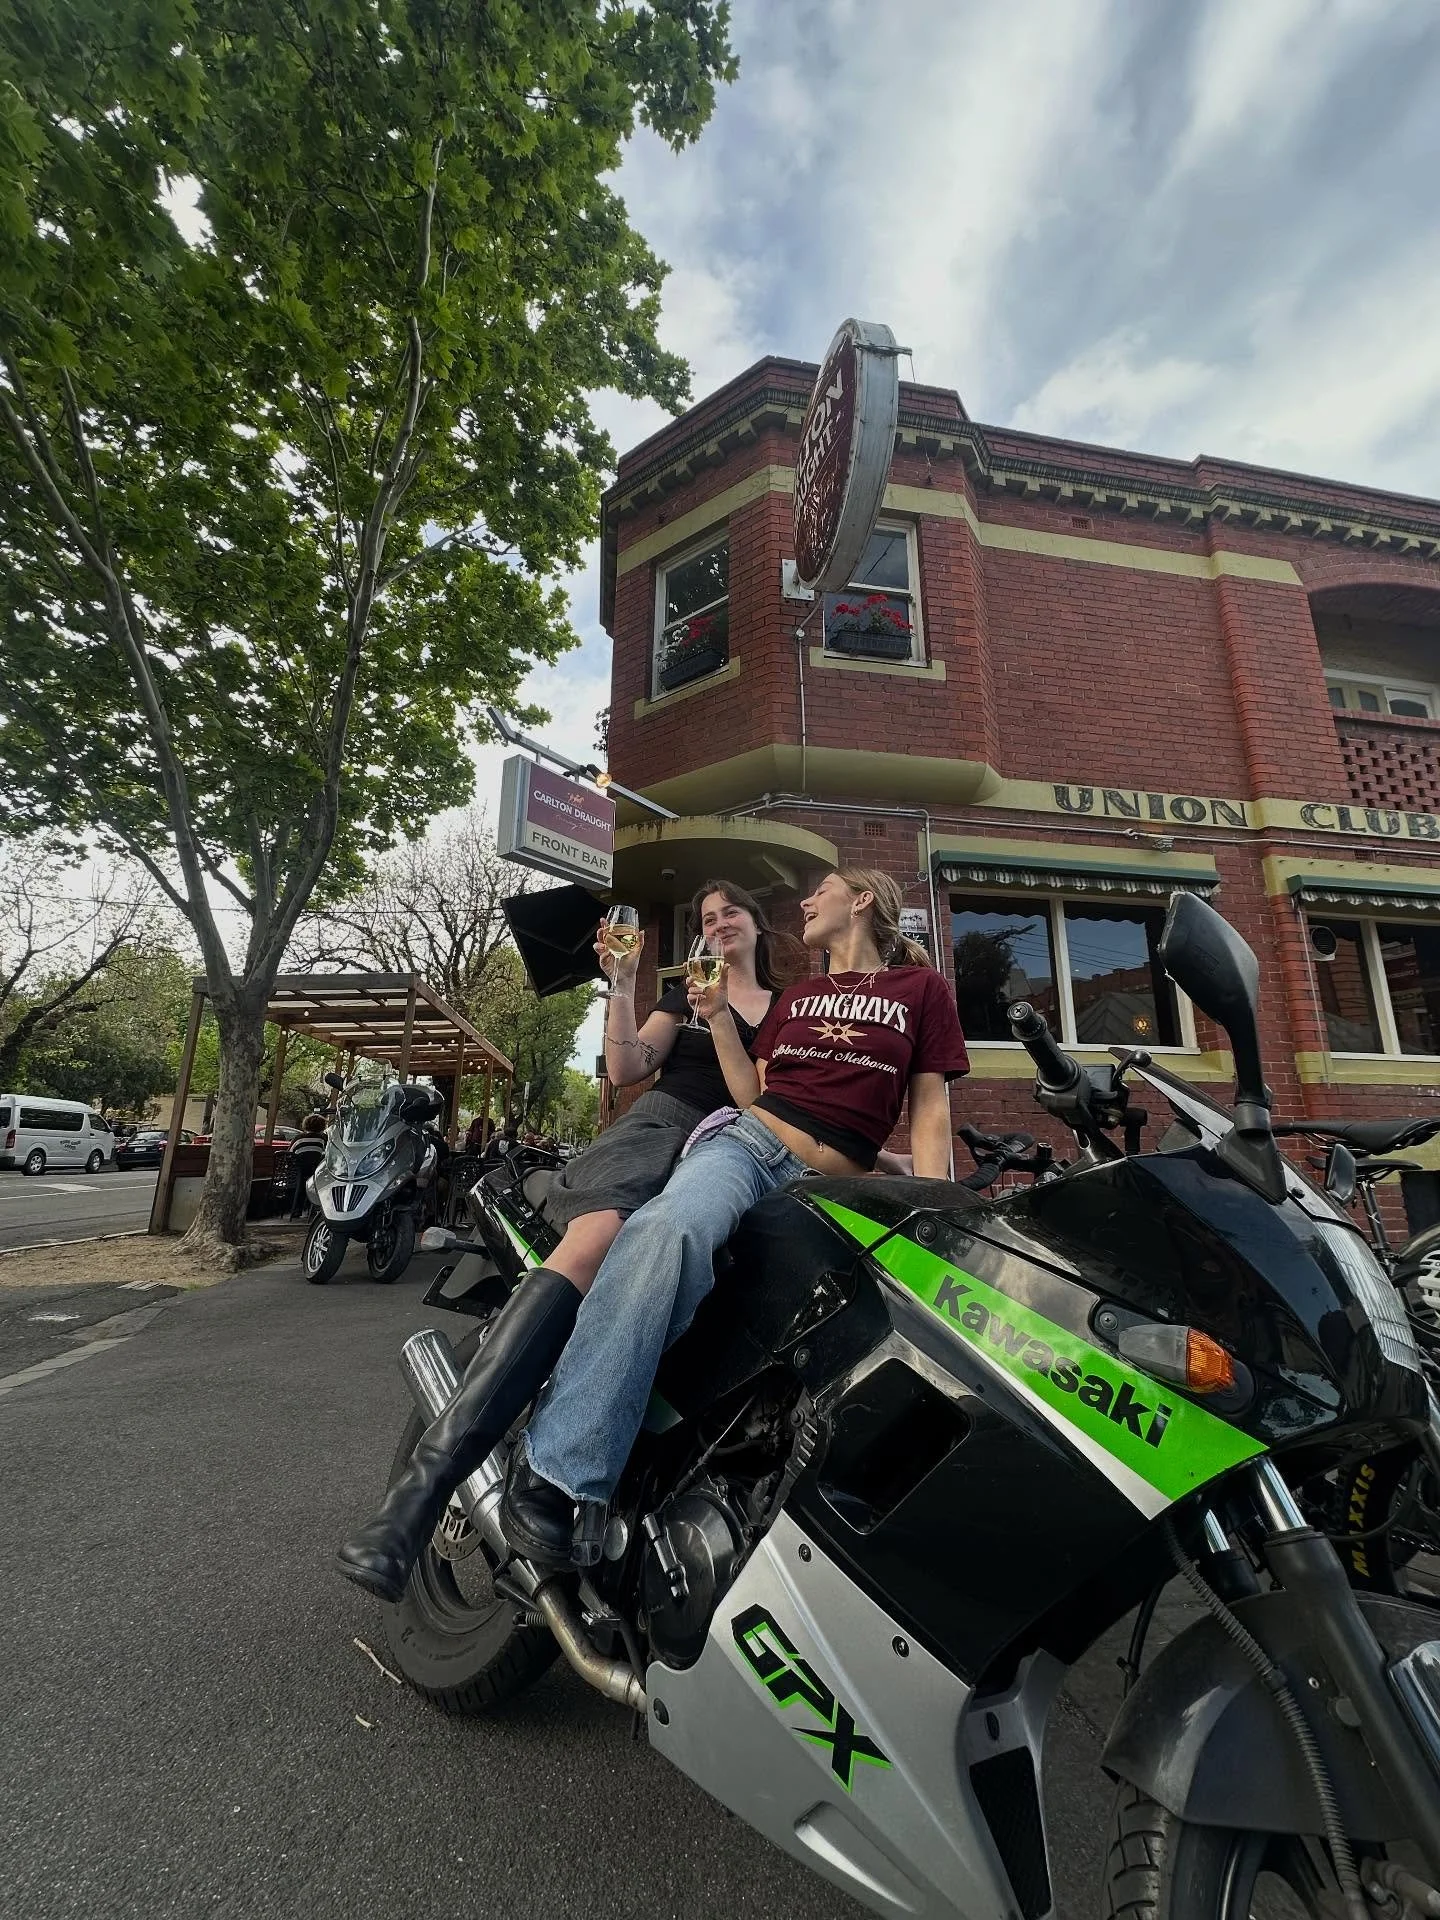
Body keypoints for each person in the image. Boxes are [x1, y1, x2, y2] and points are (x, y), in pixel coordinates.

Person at [335, 877, 796, 1602]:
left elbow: (763, 1103)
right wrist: (621, 984)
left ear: (759, 925)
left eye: (730, 912)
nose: (718, 924)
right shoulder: (684, 994)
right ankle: (415, 1502)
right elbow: (627, 1069)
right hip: (660, 1131)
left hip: (734, 1150)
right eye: (706, 918)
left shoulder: (787, 1010)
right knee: (600, 1237)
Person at [498, 866, 970, 1561]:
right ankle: (561, 1472)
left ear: (862, 900)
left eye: (822, 890)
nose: (807, 900)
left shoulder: (921, 991)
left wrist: (937, 1204)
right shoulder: (800, 997)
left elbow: (930, 1112)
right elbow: (752, 1090)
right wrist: (717, 1016)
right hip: (746, 1146)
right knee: (668, 1229)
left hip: (825, 1185)